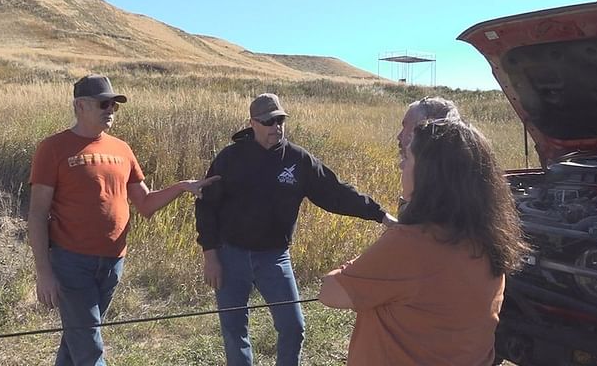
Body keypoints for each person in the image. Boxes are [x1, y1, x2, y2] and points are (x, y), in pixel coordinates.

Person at [28, 74, 219, 366]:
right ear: (80, 106)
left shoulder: (122, 149)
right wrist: (44, 272)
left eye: (114, 106)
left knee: (78, 340)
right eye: (103, 104)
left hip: (113, 261)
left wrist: (181, 187)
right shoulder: (53, 148)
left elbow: (145, 203)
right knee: (90, 347)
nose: (110, 111)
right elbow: (38, 213)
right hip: (71, 261)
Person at [195, 93, 397, 366]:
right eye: (268, 121)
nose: (275, 127)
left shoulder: (298, 160)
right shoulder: (230, 158)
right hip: (231, 255)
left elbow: (335, 192)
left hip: (275, 258)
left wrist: (380, 215)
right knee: (234, 329)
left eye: (280, 120)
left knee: (293, 326)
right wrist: (211, 255)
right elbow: (207, 204)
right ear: (252, 123)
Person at [319, 119, 529, 365]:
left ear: (429, 174)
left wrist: (353, 264)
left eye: (407, 157)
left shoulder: (410, 245)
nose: (401, 164)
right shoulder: (489, 239)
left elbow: (329, 292)